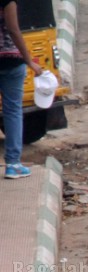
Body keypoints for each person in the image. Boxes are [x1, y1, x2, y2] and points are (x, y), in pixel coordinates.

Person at [0, 0, 47, 178]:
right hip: (10, 61)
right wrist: (28, 60)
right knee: (12, 111)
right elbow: (13, 30)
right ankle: (13, 164)